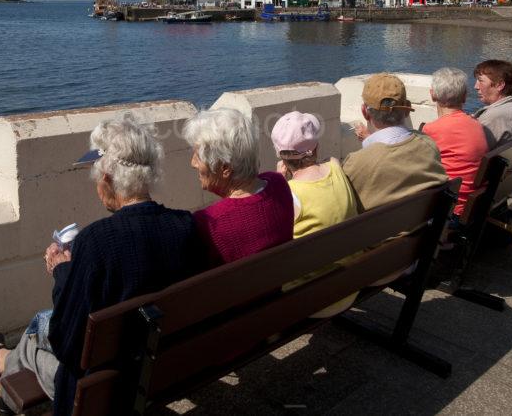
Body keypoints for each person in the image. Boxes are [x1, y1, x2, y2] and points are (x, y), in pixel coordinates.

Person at [0, 115, 204, 415]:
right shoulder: (185, 226)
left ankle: (2, 382)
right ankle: (2, 362)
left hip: (102, 391)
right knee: (39, 327)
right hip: (164, 368)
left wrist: (62, 272)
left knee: (36, 339)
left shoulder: (95, 242)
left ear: (109, 180)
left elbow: (66, 344)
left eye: (97, 177)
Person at [271, 111, 359, 317]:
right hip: (351, 283)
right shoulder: (336, 167)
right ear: (316, 148)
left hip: (311, 299)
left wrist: (278, 181)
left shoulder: (288, 194)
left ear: (280, 156)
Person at [182, 107, 294, 266]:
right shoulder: (278, 183)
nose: (192, 163)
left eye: (198, 157)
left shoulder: (207, 223)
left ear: (225, 169)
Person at [344, 73, 447, 213]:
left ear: (365, 112)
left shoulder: (356, 163)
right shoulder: (429, 145)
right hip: (428, 231)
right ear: (406, 112)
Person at [422, 68, 489, 226]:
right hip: (474, 204)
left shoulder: (432, 130)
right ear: (465, 96)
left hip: (451, 210)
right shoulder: (477, 125)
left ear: (432, 95)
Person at [472, 59, 512, 149]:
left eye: (480, 81)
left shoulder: (496, 116)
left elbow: (470, 150)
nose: (476, 87)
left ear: (500, 85)